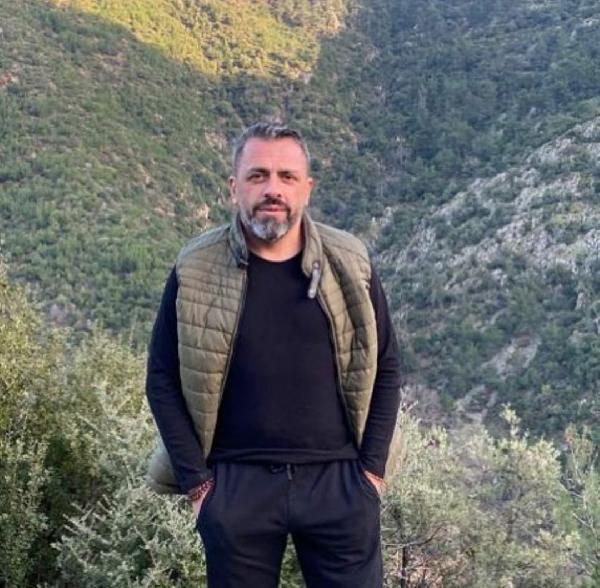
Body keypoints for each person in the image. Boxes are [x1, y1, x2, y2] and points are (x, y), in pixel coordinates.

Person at [145, 122, 401, 588]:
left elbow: (386, 365)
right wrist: (199, 485)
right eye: (258, 175)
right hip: (235, 484)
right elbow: (161, 377)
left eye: (286, 176)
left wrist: (371, 473)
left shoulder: (351, 261)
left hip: (340, 482)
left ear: (307, 188)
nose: (272, 189)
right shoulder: (195, 266)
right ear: (234, 188)